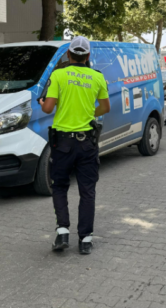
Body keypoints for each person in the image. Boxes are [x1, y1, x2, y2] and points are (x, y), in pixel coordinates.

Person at [38, 37, 110, 255]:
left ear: (68, 55)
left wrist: (43, 103)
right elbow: (105, 107)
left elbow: (48, 109)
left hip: (62, 144)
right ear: (87, 56)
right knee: (87, 190)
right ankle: (86, 239)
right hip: (87, 142)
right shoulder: (98, 77)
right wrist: (88, 114)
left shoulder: (58, 75)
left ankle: (62, 232)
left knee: (59, 186)